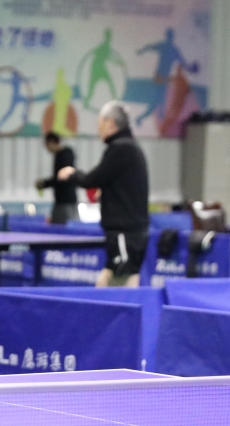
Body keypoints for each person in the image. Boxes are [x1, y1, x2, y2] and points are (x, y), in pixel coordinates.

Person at [58, 101, 149, 287]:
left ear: (110, 123)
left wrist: (71, 174)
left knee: (114, 283)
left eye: (99, 123)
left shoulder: (121, 148)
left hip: (124, 233)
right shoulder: (130, 147)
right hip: (131, 232)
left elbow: (93, 178)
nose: (98, 129)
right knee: (126, 279)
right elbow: (121, 183)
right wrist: (108, 192)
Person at [36, 132, 78, 224]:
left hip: (67, 200)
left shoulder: (66, 154)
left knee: (68, 225)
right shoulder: (58, 155)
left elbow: (61, 178)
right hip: (60, 200)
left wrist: (44, 184)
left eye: (47, 145)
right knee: (56, 225)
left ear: (51, 142)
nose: (47, 149)